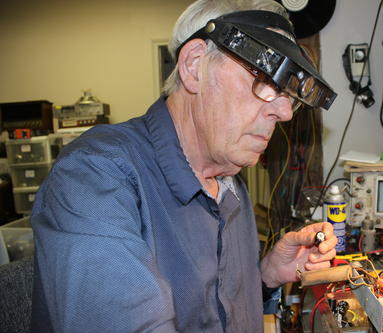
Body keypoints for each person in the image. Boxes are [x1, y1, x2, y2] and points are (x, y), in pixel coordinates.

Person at [31, 0, 338, 332]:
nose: (285, 113)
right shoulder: (93, 175)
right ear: (194, 67)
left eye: (288, 95)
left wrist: (266, 275)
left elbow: (217, 307)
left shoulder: (232, 184)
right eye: (265, 79)